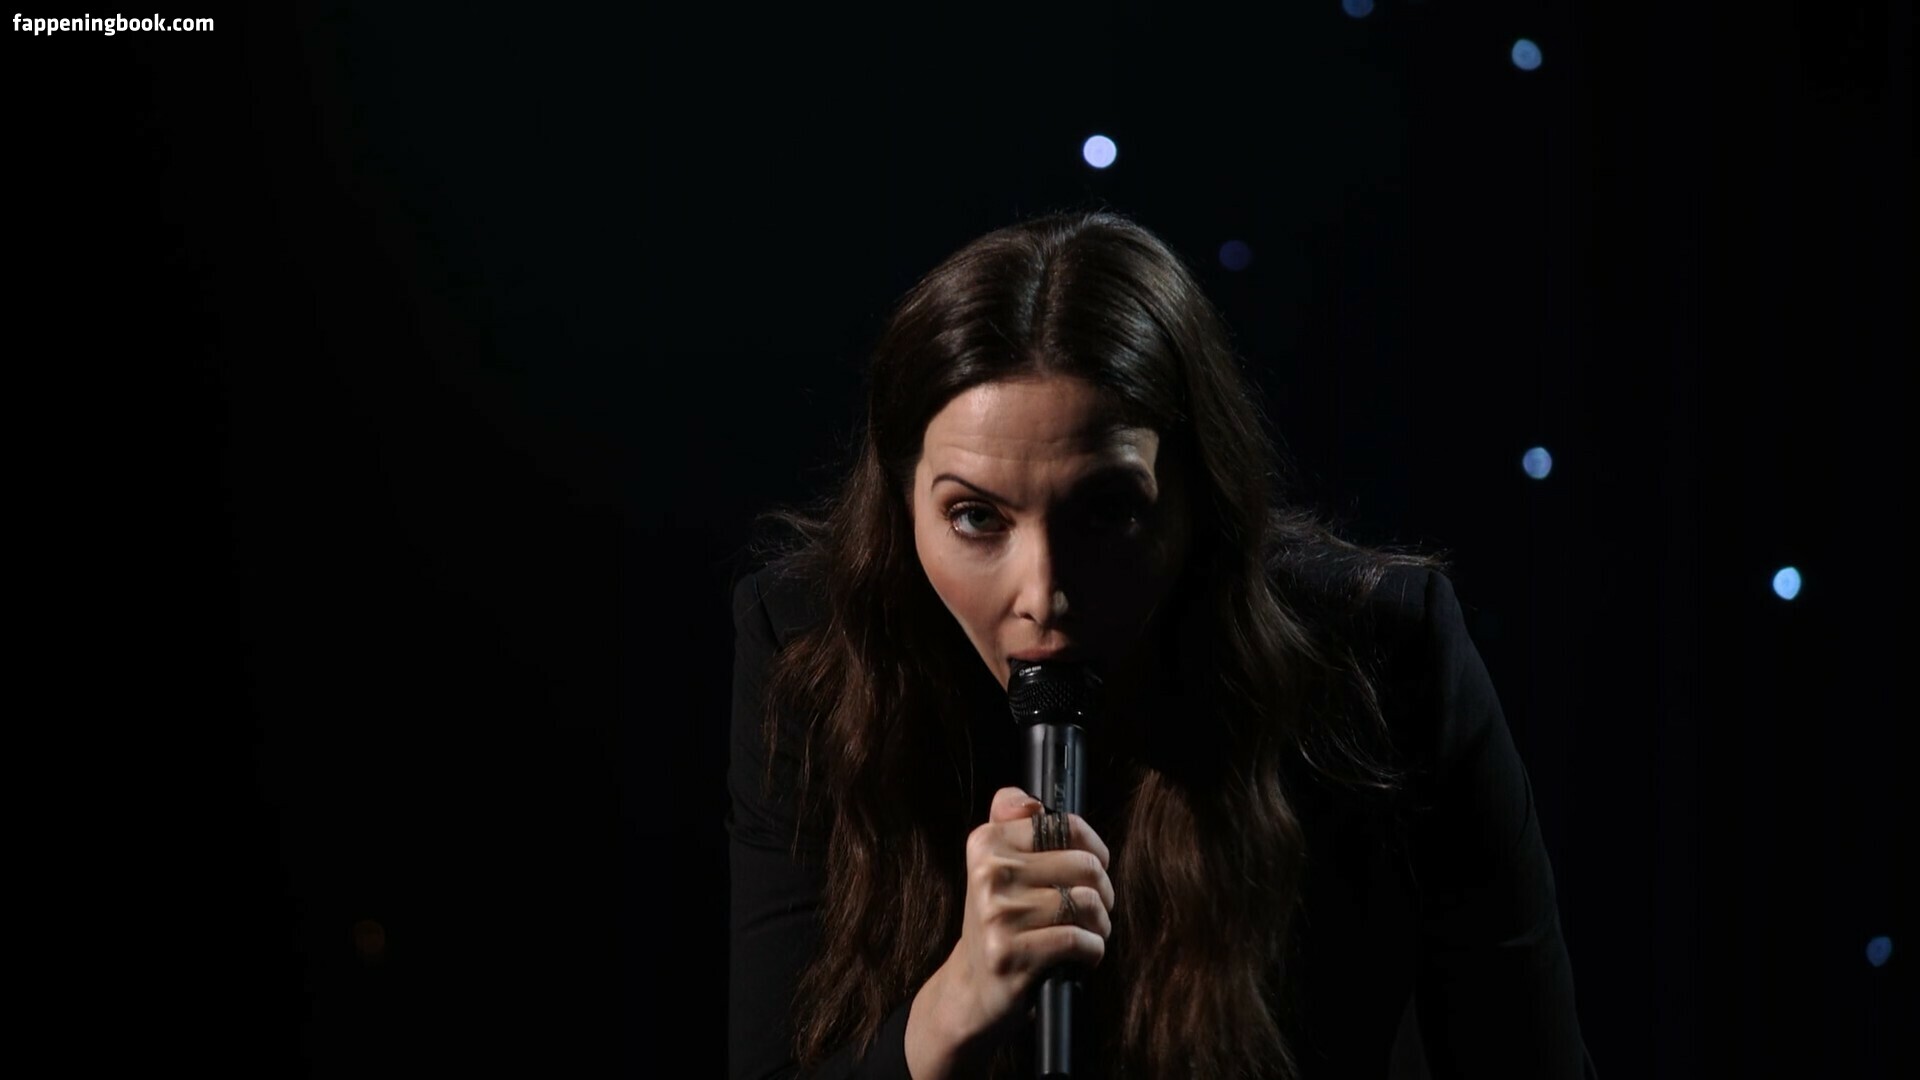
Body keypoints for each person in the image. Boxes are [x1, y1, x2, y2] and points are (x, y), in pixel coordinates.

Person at [727, 209, 1597, 1079]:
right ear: (902, 506)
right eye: (976, 517)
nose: (1044, 594)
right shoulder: (812, 653)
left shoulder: (1384, 656)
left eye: (1107, 511)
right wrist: (949, 1012)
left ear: (1197, 499)